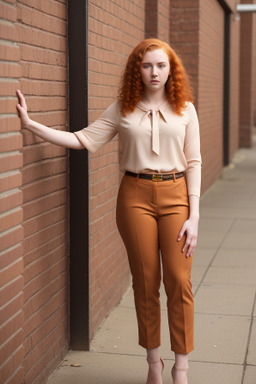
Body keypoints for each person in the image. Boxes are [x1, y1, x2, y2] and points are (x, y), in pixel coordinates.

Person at [16, 38, 201, 384]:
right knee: (146, 281)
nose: (154, 72)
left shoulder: (185, 109)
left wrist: (195, 215)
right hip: (135, 197)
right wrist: (31, 126)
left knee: (179, 280)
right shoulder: (123, 108)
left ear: (171, 69)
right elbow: (82, 139)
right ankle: (153, 364)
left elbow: (194, 162)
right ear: (137, 70)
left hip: (178, 195)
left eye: (161, 65)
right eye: (147, 65)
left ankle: (181, 369)